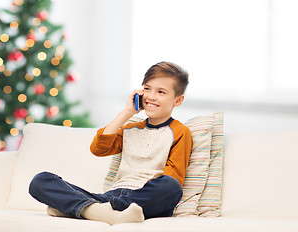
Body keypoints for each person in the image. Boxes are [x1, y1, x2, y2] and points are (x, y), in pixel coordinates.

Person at [29, 61, 193, 225]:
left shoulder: (180, 132)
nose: (151, 96)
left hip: (144, 199)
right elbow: (98, 149)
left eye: (161, 92)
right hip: (112, 197)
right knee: (40, 181)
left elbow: (174, 177)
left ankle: (82, 208)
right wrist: (127, 112)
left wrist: (141, 195)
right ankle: (101, 211)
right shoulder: (130, 129)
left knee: (171, 186)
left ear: (178, 100)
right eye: (147, 88)